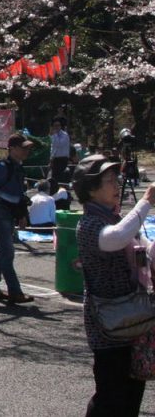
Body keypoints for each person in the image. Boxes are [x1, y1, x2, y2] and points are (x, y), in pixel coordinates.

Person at [74, 155, 155, 416]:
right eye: (110, 180)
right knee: (110, 396)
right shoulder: (89, 224)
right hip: (107, 326)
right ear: (91, 190)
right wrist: (146, 202)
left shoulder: (116, 218)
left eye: (116, 179)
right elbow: (116, 239)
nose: (117, 184)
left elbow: (148, 249)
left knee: (132, 393)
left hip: (135, 319)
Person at [0, 134, 35, 304]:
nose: (26, 151)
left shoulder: (18, 167)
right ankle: (14, 291)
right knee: (7, 252)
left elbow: (19, 195)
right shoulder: (3, 167)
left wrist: (22, 215)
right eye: (23, 147)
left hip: (9, 212)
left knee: (2, 251)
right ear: (12, 149)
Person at [49, 116, 71, 183]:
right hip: (55, 159)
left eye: (58, 125)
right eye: (55, 126)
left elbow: (58, 144)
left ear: (61, 126)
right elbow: (53, 148)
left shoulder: (65, 135)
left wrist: (54, 134)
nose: (56, 127)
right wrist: (51, 158)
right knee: (54, 177)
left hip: (62, 159)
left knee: (61, 177)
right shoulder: (53, 135)